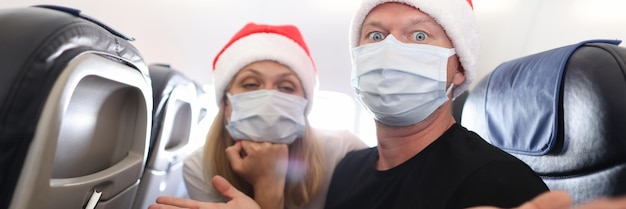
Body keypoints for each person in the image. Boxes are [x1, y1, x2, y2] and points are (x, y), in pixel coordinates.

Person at [322, 0, 551, 208]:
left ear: (460, 67)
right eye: (376, 36)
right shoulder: (347, 169)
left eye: (419, 36)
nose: (389, 51)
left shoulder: (498, 181)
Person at [170, 22, 367, 209]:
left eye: (286, 87)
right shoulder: (199, 166)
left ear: (305, 104)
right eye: (250, 85)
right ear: (226, 103)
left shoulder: (343, 150)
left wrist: (268, 183)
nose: (269, 98)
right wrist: (268, 183)